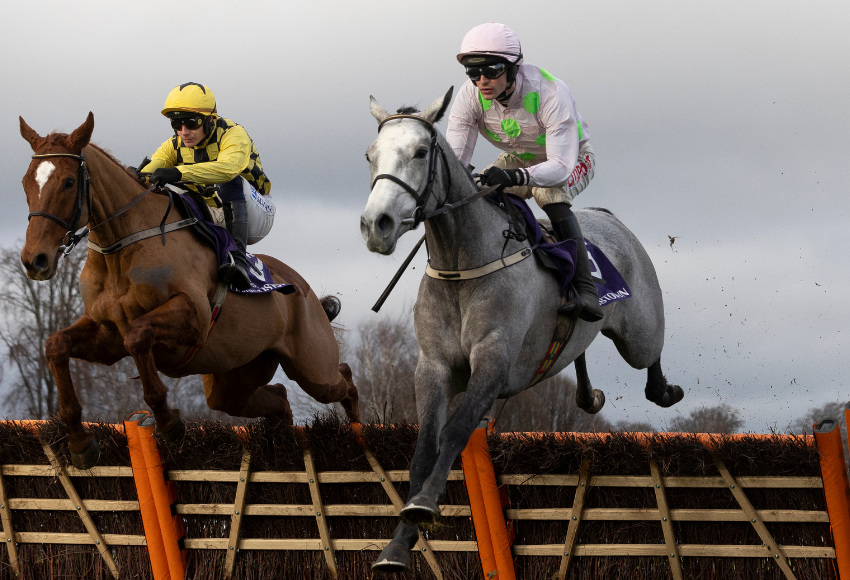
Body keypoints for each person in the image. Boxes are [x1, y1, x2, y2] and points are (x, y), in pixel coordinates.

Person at [446, 23, 603, 322]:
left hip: (572, 158)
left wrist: (516, 177)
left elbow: (560, 168)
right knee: (476, 192)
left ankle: (586, 289)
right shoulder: (469, 97)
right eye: (472, 72)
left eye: (491, 70)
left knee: (547, 192)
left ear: (513, 68)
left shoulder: (551, 92)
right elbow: (456, 163)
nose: (482, 80)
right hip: (520, 158)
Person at [139, 82, 272, 290]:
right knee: (167, 189)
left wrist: (178, 172)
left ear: (210, 119)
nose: (184, 132)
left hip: (255, 211)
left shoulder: (234, 134)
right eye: (176, 124)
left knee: (229, 179)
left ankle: (238, 261)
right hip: (211, 210)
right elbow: (150, 173)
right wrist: (134, 176)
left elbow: (228, 169)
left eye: (191, 123)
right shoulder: (172, 145)